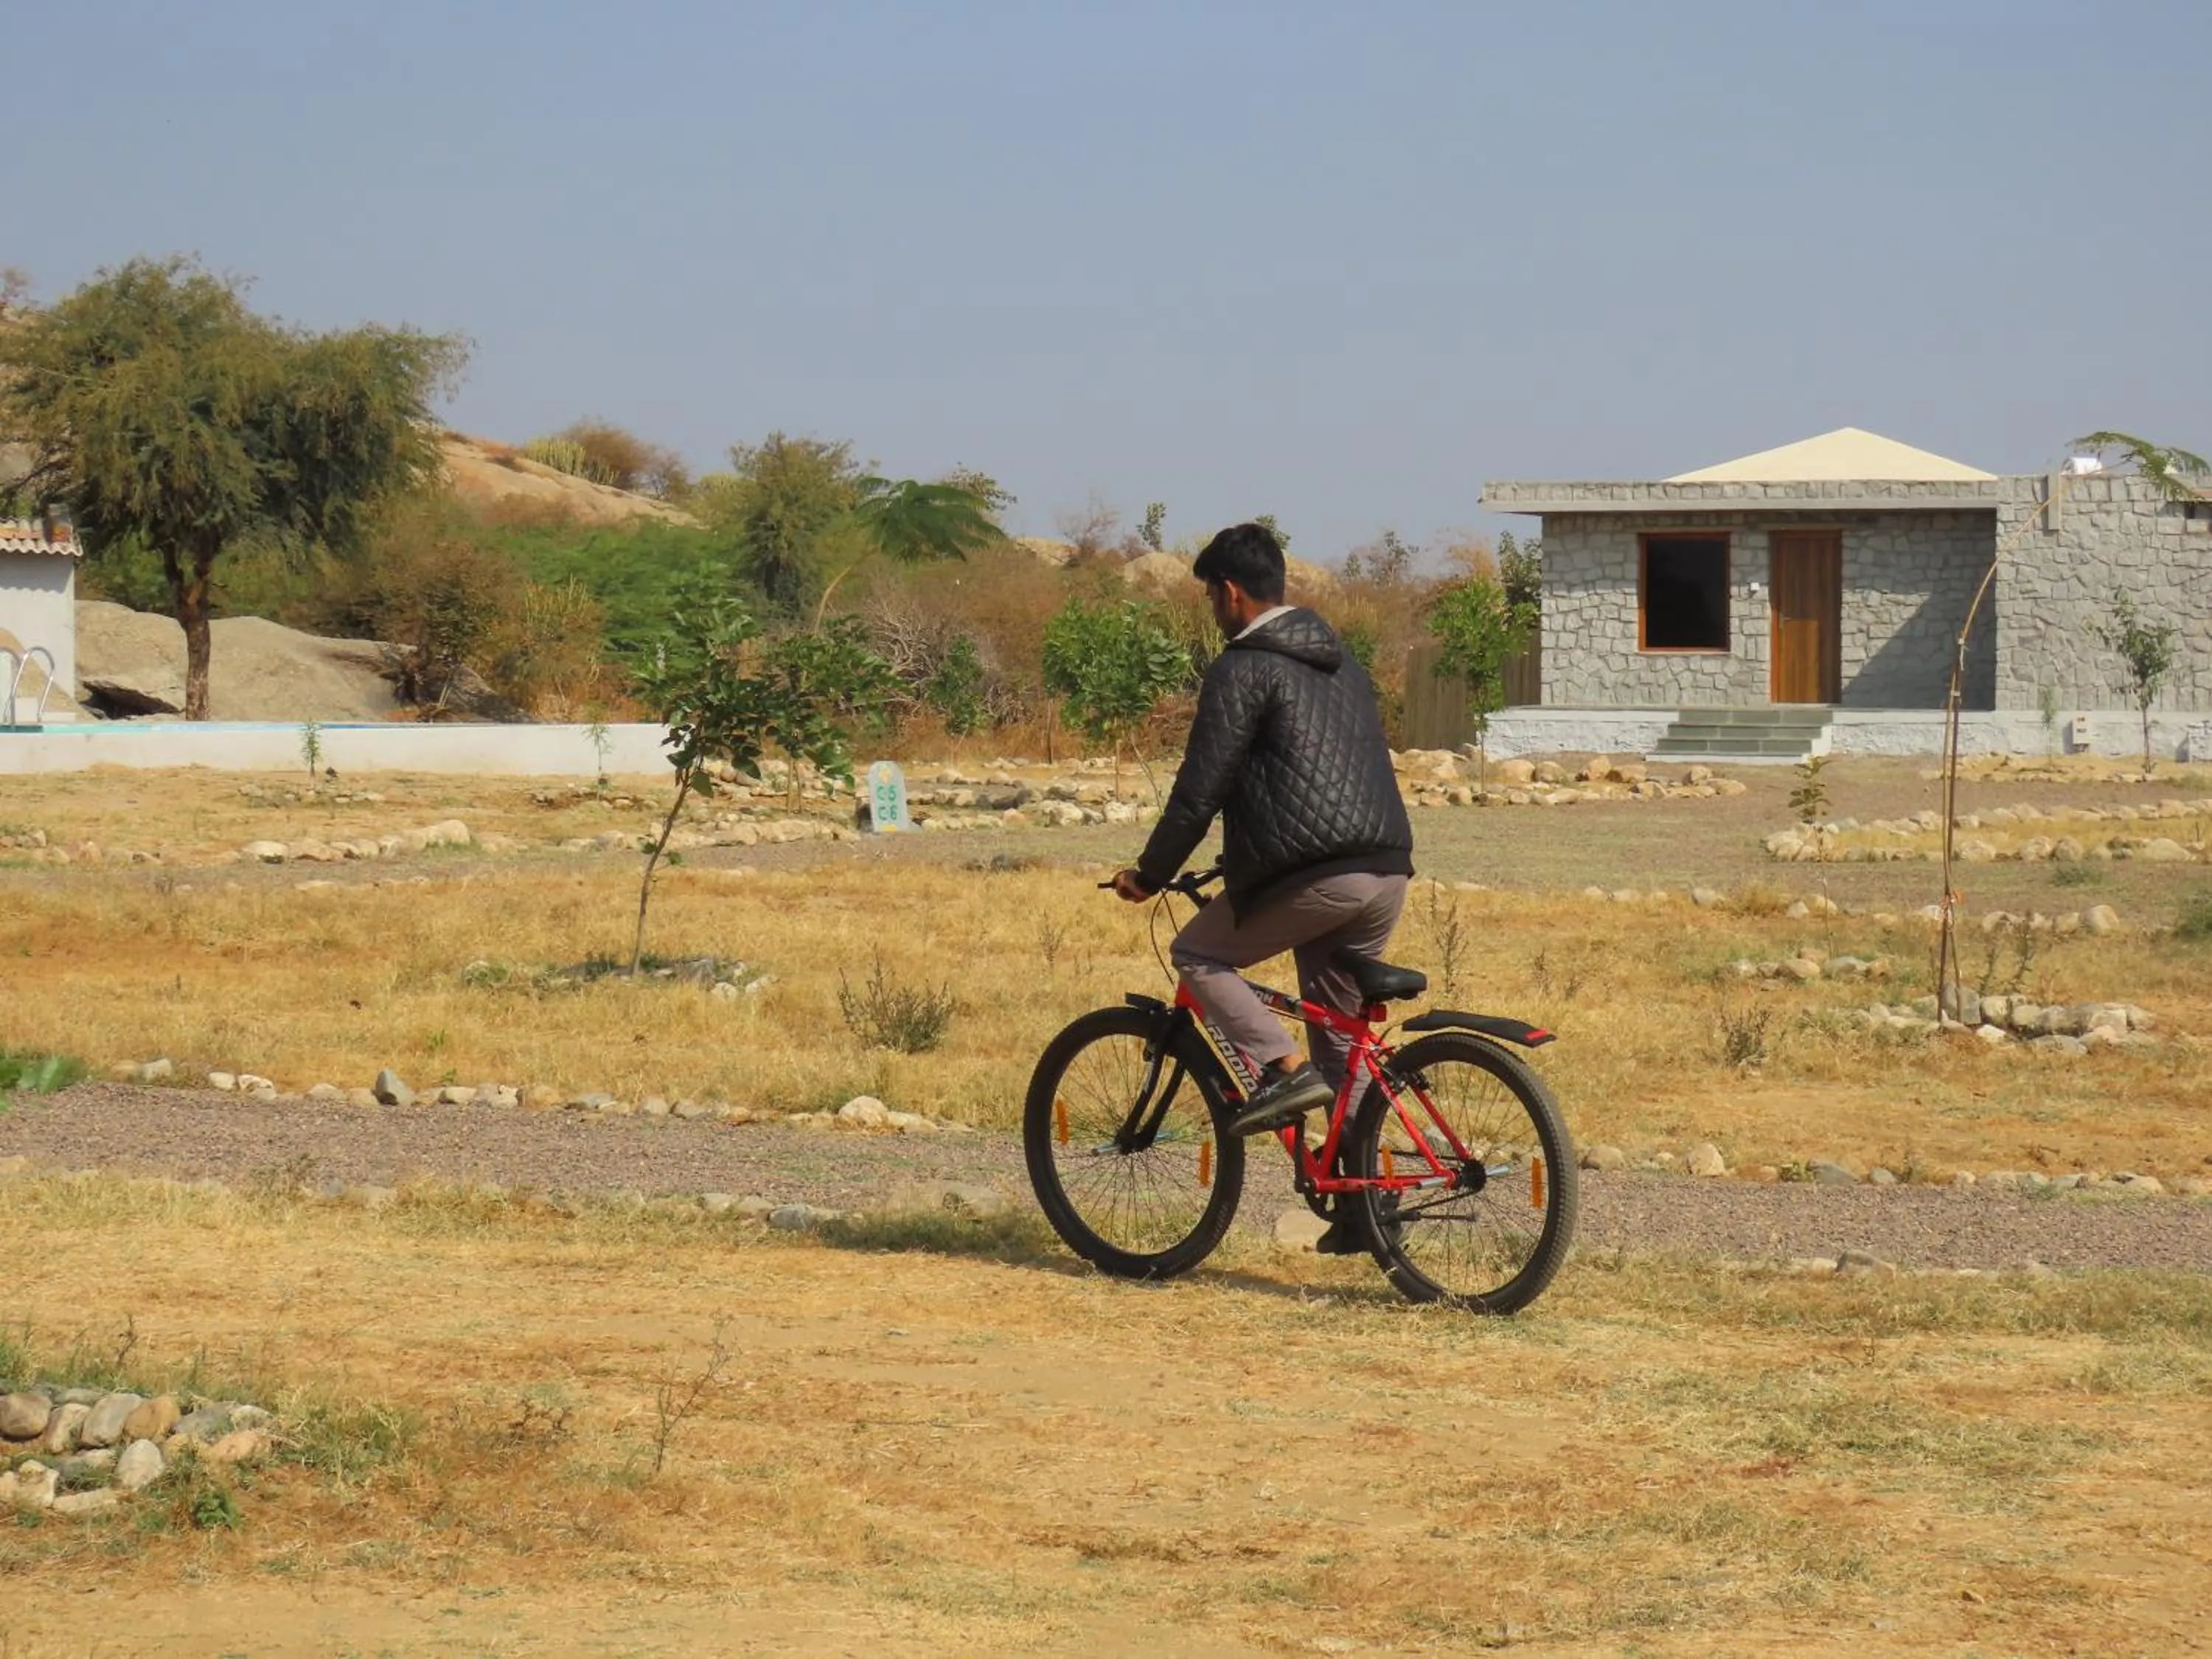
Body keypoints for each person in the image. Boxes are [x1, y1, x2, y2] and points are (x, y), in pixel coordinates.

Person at [1111, 521, 1415, 1144]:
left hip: (1320, 877)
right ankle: (1364, 1204)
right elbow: (1310, 773)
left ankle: (1282, 1069)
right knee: (1340, 1044)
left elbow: (1201, 790)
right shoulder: (1342, 663)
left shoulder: (1242, 668)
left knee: (1198, 954)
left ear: (1229, 593)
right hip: (1387, 869)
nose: (1212, 610)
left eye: (1208, 598)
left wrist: (1150, 874)